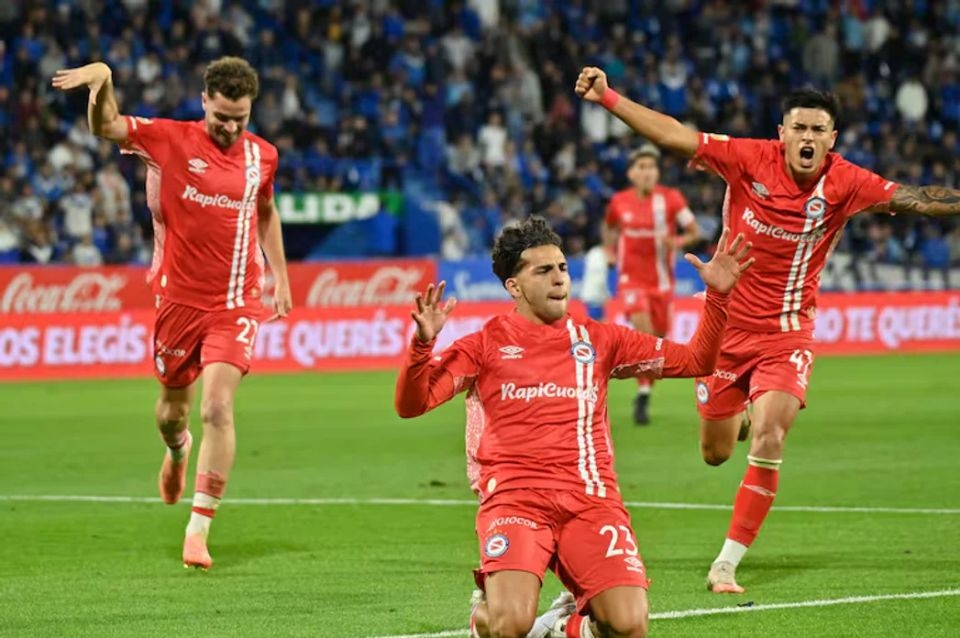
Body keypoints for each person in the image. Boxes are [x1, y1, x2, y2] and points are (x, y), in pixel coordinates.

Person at [575, 66, 960, 594]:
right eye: (798, 128)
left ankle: (726, 563)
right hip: (726, 332)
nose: (807, 138)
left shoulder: (847, 181)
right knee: (715, 453)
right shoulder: (748, 158)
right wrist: (609, 98)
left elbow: (918, 199)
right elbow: (675, 135)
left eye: (817, 129)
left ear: (832, 138)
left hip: (787, 334)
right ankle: (737, 413)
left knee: (771, 434)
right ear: (782, 133)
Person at [395, 216, 753, 638]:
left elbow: (696, 361)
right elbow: (413, 404)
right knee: (511, 624)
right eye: (543, 271)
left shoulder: (601, 340)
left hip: (590, 500)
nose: (559, 278)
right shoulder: (484, 345)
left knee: (628, 624)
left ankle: (564, 626)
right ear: (514, 286)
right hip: (516, 500)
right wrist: (422, 346)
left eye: (562, 268)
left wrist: (719, 297)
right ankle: (484, 616)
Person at [52, 57, 292, 570]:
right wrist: (102, 81)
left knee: (218, 408)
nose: (230, 128)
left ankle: (198, 529)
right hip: (178, 301)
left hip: (236, 302)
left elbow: (266, 212)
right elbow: (105, 125)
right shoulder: (169, 139)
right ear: (204, 102)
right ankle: (178, 449)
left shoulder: (263, 156)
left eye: (241, 118)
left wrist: (281, 277)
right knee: (173, 413)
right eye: (221, 117)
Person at [604, 144, 701, 424]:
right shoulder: (619, 202)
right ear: (631, 174)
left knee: (657, 340)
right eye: (642, 167)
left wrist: (678, 241)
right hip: (631, 281)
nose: (647, 172)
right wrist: (610, 251)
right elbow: (609, 227)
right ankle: (644, 395)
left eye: (652, 167)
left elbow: (694, 232)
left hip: (661, 283)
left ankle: (644, 391)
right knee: (644, 331)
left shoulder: (671, 199)